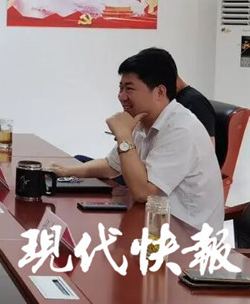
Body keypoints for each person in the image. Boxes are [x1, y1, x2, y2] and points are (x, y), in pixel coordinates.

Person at [50, 50, 223, 232]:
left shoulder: (181, 129)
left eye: (129, 89)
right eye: (121, 88)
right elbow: (111, 165)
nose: (121, 96)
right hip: (154, 223)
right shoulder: (143, 120)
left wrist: (124, 136)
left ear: (160, 92)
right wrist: (66, 172)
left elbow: (144, 192)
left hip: (187, 237)